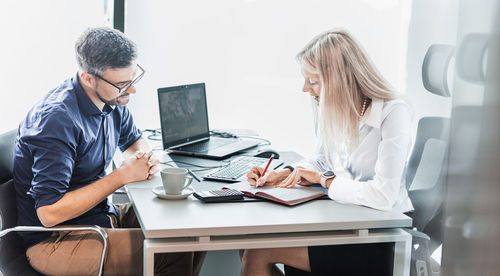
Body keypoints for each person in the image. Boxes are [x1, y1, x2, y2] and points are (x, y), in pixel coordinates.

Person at [13, 27, 205, 276]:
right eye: (123, 84)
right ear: (88, 78)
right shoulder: (57, 121)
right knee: (173, 249)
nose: (132, 90)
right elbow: (49, 213)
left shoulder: (111, 99)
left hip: (100, 216)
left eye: (134, 78)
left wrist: (141, 158)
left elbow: (134, 141)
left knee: (192, 232)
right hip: (55, 240)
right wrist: (122, 176)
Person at [241, 29, 414, 276]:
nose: (304, 88)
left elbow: (383, 195)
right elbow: (321, 159)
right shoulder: (338, 109)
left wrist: (326, 181)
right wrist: (286, 173)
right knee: (248, 245)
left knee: (258, 252)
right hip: (350, 225)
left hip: (381, 238)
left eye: (312, 81)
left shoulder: (393, 113)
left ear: (339, 79)